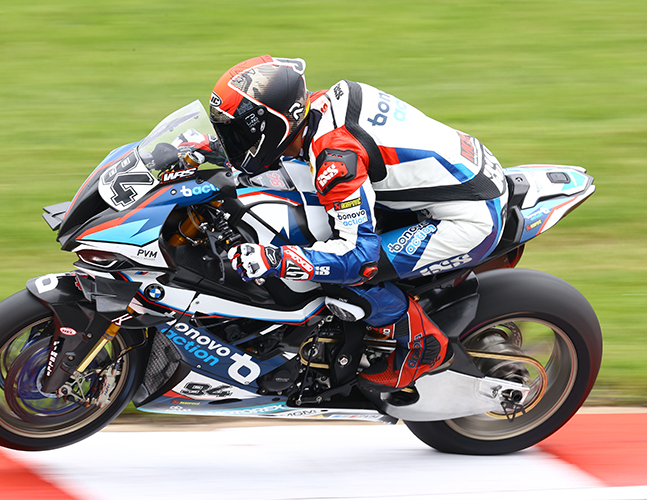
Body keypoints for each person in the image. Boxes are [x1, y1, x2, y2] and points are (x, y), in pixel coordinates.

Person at [210, 55, 508, 391]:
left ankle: (421, 349)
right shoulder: (317, 110)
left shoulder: (335, 158)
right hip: (464, 176)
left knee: (342, 275)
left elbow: (358, 258)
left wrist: (275, 259)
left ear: (278, 123)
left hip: (468, 217)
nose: (232, 143)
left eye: (238, 134)